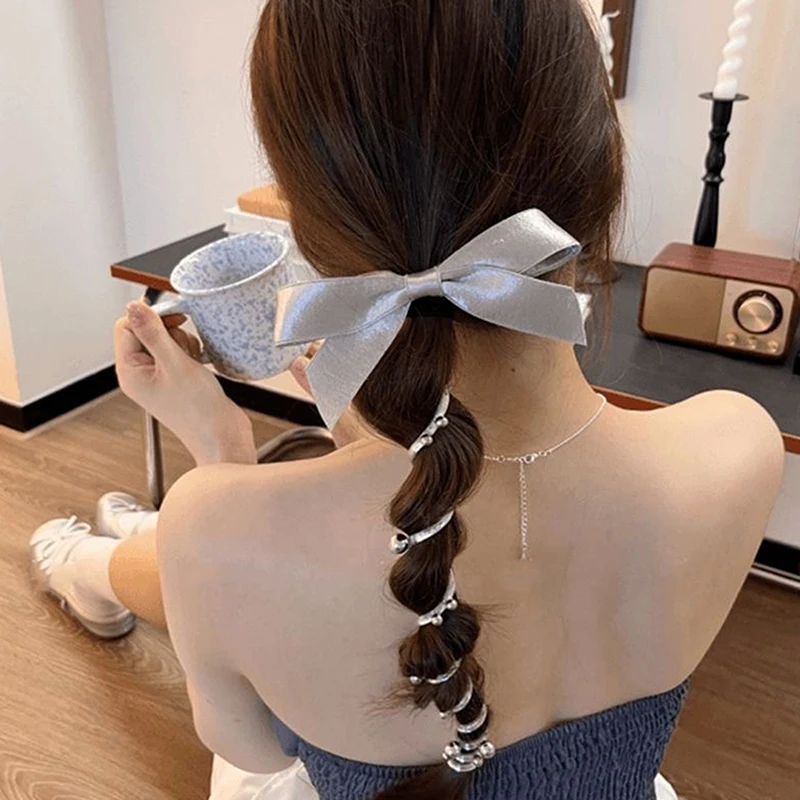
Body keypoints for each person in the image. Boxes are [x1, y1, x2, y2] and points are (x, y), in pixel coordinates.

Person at [29, 1, 786, 799]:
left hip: (234, 561)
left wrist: (222, 455)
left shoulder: (216, 529)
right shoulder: (738, 446)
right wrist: (349, 447)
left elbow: (254, 750)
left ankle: (82, 561)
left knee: (204, 557)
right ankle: (97, 558)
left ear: (306, 218)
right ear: (602, 177)